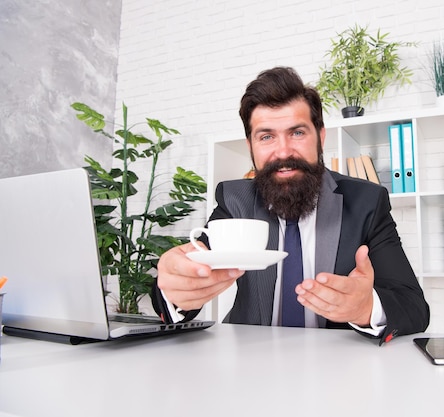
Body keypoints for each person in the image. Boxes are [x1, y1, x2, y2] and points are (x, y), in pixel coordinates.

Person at [153, 66, 429, 344]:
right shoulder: (234, 199)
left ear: (320, 137)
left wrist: (365, 308)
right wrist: (176, 290)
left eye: (297, 133)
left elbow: (414, 308)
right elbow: (188, 273)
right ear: (251, 145)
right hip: (250, 361)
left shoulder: (367, 202)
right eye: (266, 136)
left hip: (340, 371)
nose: (283, 151)